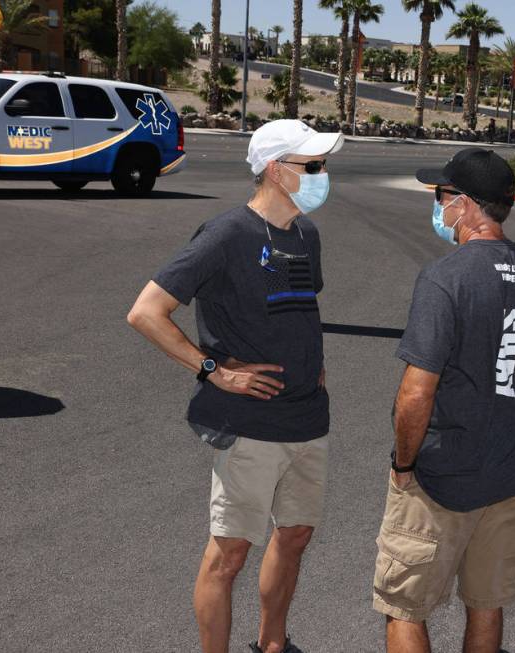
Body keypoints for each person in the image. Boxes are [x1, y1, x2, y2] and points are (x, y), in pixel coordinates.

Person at [373, 148, 515, 652]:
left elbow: (417, 391)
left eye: (442, 195)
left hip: (441, 476)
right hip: (507, 474)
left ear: (467, 205)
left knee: (404, 609)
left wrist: (403, 463)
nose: (438, 206)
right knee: (485, 605)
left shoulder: (445, 278)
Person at [126, 119, 343, 653]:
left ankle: (272, 644)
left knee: (294, 537)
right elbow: (146, 312)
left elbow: (298, 308)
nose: (323, 175)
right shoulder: (225, 234)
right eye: (312, 166)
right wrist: (214, 371)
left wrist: (314, 361)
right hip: (250, 424)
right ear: (275, 170)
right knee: (230, 553)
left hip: (308, 418)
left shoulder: (304, 234)